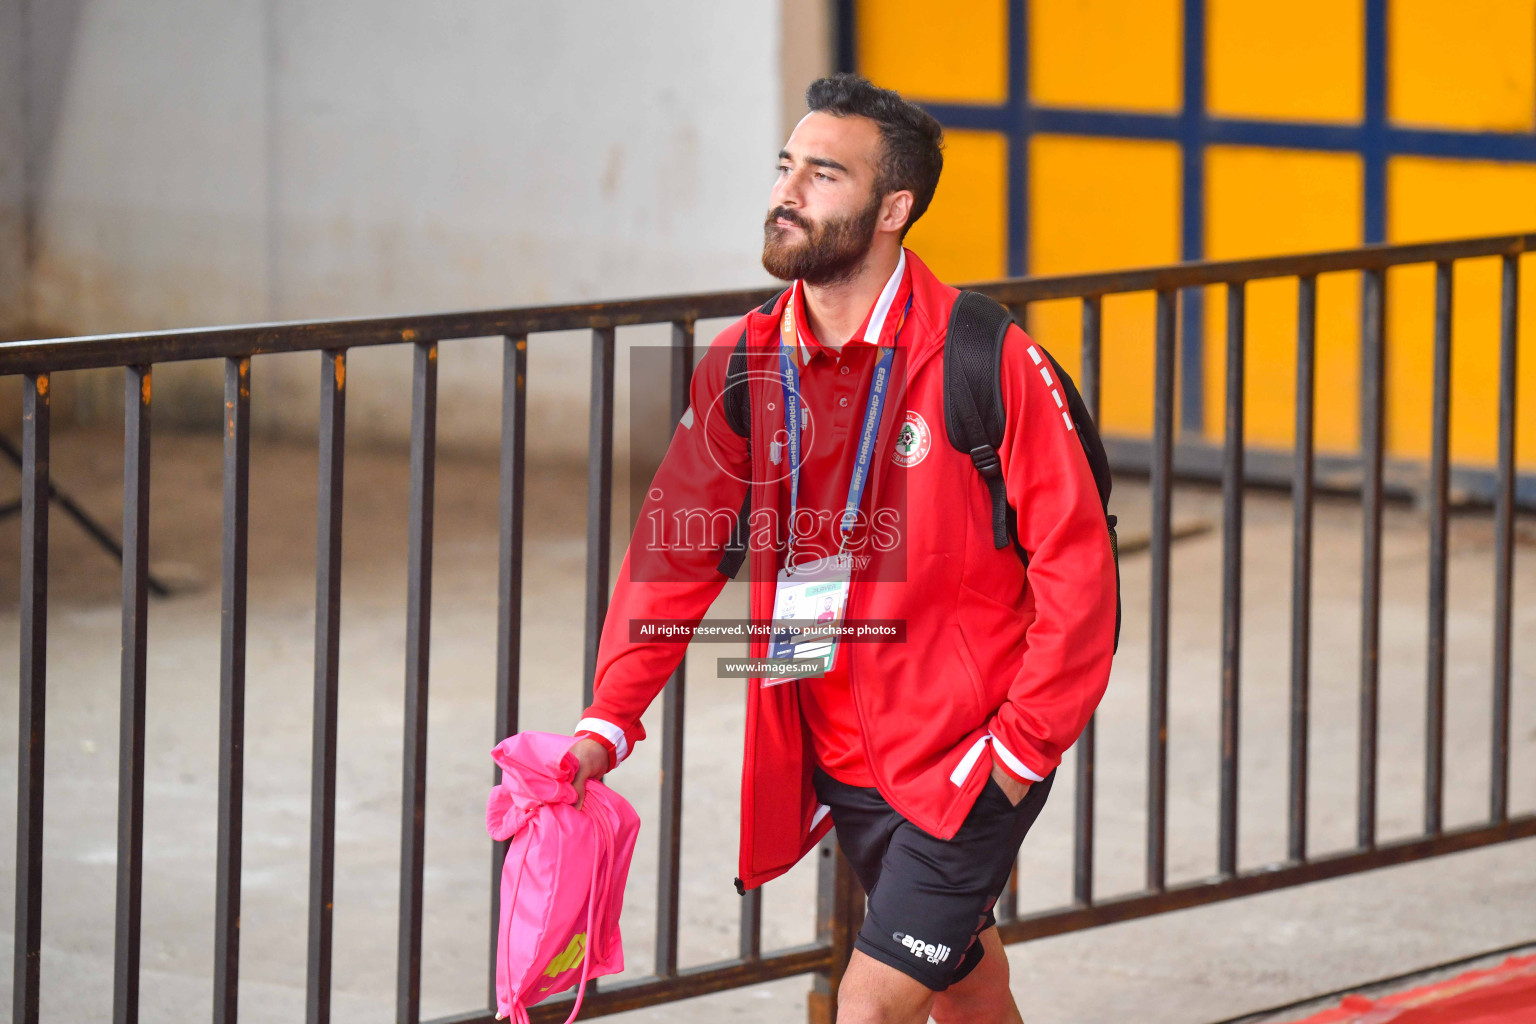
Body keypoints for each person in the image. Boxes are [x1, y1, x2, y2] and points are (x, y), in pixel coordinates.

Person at [567, 73, 1117, 1024]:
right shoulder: (746, 360)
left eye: (824, 174)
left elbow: (1078, 563)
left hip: (971, 749)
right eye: (787, 167)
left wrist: (1021, 748)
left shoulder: (984, 356)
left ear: (893, 207)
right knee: (967, 982)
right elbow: (677, 554)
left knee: (868, 1009)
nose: (788, 192)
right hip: (835, 746)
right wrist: (607, 720)